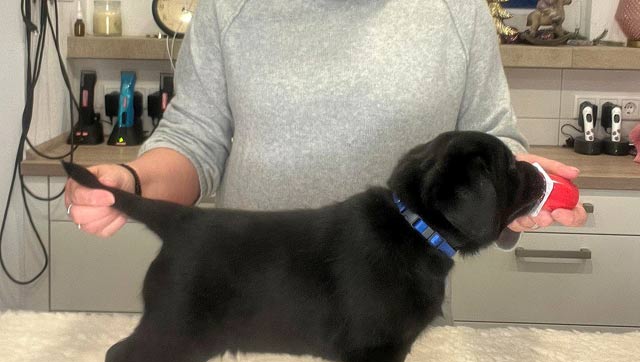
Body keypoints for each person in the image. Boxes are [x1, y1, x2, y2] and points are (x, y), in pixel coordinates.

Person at [64, 0, 586, 246]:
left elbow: (491, 137)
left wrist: (517, 187)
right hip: (249, 309)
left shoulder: (457, 10)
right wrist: (132, 182)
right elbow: (195, 139)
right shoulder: (229, 7)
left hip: (397, 318)